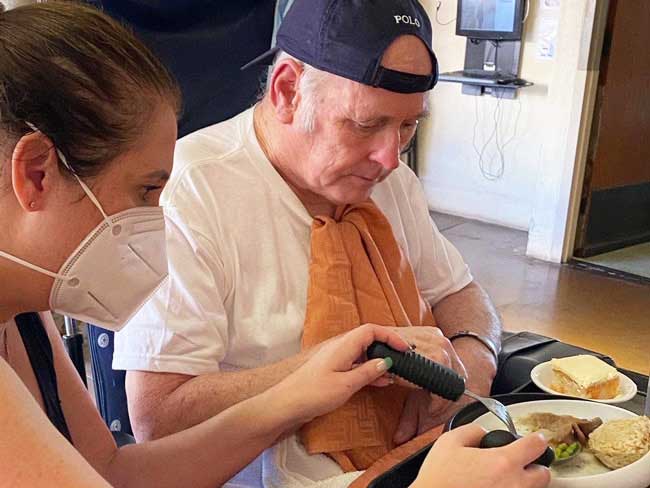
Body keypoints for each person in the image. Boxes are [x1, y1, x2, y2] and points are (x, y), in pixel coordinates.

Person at [112, 0, 539, 486]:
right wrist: (342, 362)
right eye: (365, 124)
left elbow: (460, 293)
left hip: (418, 457)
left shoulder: (388, 181)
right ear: (288, 90)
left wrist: (472, 369)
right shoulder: (191, 194)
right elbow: (157, 417)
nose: (389, 158)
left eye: (407, 125)